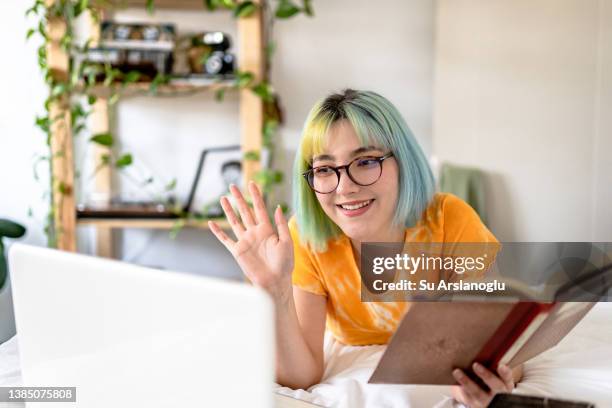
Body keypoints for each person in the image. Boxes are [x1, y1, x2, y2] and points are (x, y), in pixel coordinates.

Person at [208, 89, 522, 407]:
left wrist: (499, 373)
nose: (345, 187)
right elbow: (302, 376)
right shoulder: (307, 239)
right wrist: (274, 290)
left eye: (366, 161)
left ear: (403, 162)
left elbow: (505, 337)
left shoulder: (450, 219)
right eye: (325, 169)